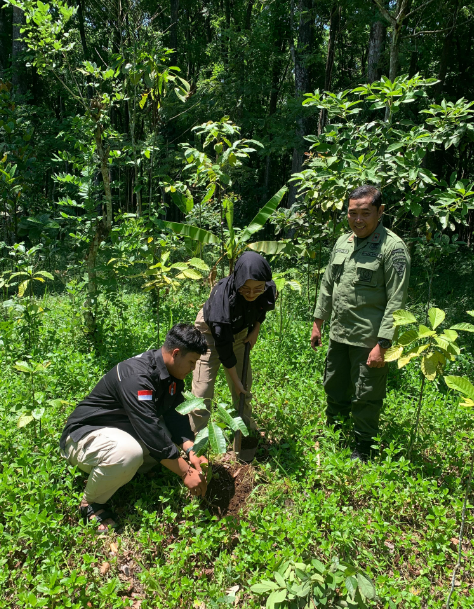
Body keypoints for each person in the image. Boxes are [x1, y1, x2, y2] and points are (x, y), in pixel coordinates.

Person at [60, 323, 209, 531]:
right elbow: (148, 428)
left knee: (162, 434)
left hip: (119, 431)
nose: (193, 369)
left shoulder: (171, 375)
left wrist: (191, 450)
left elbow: (175, 415)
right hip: (83, 437)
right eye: (192, 362)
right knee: (129, 452)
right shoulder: (137, 376)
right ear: (176, 353)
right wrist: (185, 473)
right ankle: (91, 504)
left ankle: (125, 471)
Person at [311, 185, 410, 461]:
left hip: (369, 341)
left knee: (366, 395)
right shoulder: (343, 242)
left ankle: (364, 446)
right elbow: (328, 284)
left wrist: (383, 344)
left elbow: (396, 301)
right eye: (352, 213)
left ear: (380, 212)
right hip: (339, 335)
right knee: (334, 385)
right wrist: (318, 321)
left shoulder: (393, 249)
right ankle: (336, 432)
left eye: (365, 213)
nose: (358, 220)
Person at [190, 251, 276, 432]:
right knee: (202, 390)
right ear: (237, 281)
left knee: (244, 386)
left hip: (240, 331)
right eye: (246, 289)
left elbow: (263, 308)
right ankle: (196, 438)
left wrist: (255, 329)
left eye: (257, 288)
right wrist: (234, 381)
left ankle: (244, 429)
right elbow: (222, 345)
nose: (252, 294)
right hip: (210, 334)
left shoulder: (265, 287)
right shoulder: (222, 298)